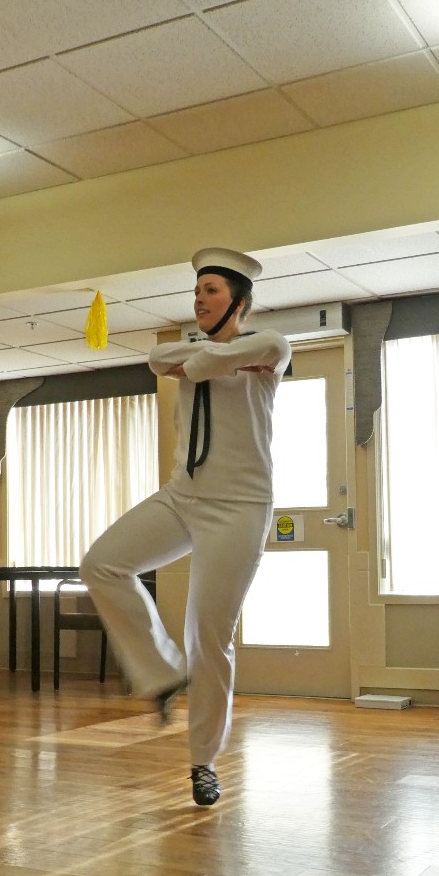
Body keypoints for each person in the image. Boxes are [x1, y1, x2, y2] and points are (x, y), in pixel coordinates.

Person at [80, 247, 292, 807]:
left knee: (209, 638)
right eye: (196, 292)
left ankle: (203, 762)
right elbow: (160, 359)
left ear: (240, 301)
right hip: (182, 495)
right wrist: (206, 359)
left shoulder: (271, 348)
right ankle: (160, 673)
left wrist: (203, 362)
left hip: (240, 505)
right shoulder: (192, 350)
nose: (199, 300)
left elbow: (243, 354)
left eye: (211, 291)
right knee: (100, 564)